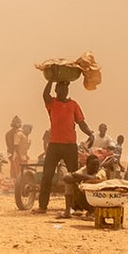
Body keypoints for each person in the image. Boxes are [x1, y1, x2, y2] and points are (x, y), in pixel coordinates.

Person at [38, 81, 93, 213]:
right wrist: (50, 80)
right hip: (54, 145)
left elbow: (81, 122)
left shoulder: (73, 105)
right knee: (47, 175)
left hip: (70, 146)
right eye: (61, 89)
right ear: (56, 90)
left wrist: (90, 133)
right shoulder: (52, 103)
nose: (64, 91)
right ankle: (42, 206)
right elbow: (45, 94)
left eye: (66, 89)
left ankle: (76, 206)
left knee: (74, 176)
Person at [10, 122, 32, 188]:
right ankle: (18, 187)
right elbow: (16, 146)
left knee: (24, 173)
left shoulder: (25, 136)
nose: (30, 131)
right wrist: (19, 157)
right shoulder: (19, 134)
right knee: (19, 173)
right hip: (18, 157)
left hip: (24, 157)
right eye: (29, 129)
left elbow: (24, 148)